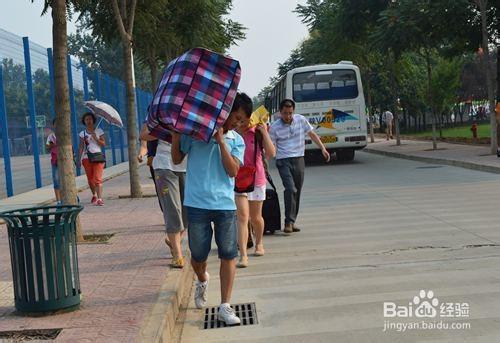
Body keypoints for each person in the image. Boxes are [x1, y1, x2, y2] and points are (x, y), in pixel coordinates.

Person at [171, 92, 252, 326]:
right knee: (198, 256)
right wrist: (177, 135)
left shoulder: (236, 139)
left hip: (225, 205)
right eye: (235, 117)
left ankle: (225, 305)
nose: (237, 123)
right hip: (196, 204)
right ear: (225, 110)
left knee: (229, 254)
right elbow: (176, 159)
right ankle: (202, 278)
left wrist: (220, 140)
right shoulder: (196, 133)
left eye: (241, 121)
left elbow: (233, 171)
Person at [269, 99, 330, 235]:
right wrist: (264, 160)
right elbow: (271, 147)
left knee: (297, 191)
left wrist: (323, 148)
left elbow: (312, 134)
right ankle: (288, 222)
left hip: (299, 159)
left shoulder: (301, 120)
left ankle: (292, 220)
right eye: (285, 113)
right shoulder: (274, 127)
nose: (288, 116)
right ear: (280, 113)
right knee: (290, 188)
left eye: (290, 113)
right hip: (283, 160)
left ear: (294, 111)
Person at [140, 125, 188, 269]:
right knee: (172, 208)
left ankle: (174, 240)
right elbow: (143, 135)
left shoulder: (191, 112)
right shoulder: (160, 112)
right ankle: (178, 254)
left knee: (186, 212)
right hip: (163, 165)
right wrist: (166, 132)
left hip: (187, 165)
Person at [235, 121, 275, 268]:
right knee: (242, 218)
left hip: (256, 179)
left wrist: (264, 132)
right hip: (238, 180)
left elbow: (271, 153)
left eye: (244, 118)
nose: (241, 122)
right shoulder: (232, 132)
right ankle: (243, 255)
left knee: (256, 217)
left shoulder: (256, 132)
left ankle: (259, 242)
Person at [78, 112, 106, 206]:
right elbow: (81, 147)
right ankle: (94, 195)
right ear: (84, 121)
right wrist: (78, 159)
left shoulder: (99, 131)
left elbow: (103, 143)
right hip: (86, 158)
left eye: (90, 119)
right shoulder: (82, 133)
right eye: (86, 119)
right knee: (90, 179)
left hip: (98, 156)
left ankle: (100, 198)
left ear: (93, 120)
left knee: (97, 179)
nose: (88, 121)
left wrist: (96, 138)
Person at [46, 119, 61, 205]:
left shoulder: (64, 135)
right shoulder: (51, 136)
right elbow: (47, 146)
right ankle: (58, 200)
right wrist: (53, 144)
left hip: (65, 161)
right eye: (56, 124)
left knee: (66, 179)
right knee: (56, 180)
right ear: (53, 126)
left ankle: (72, 195)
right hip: (55, 161)